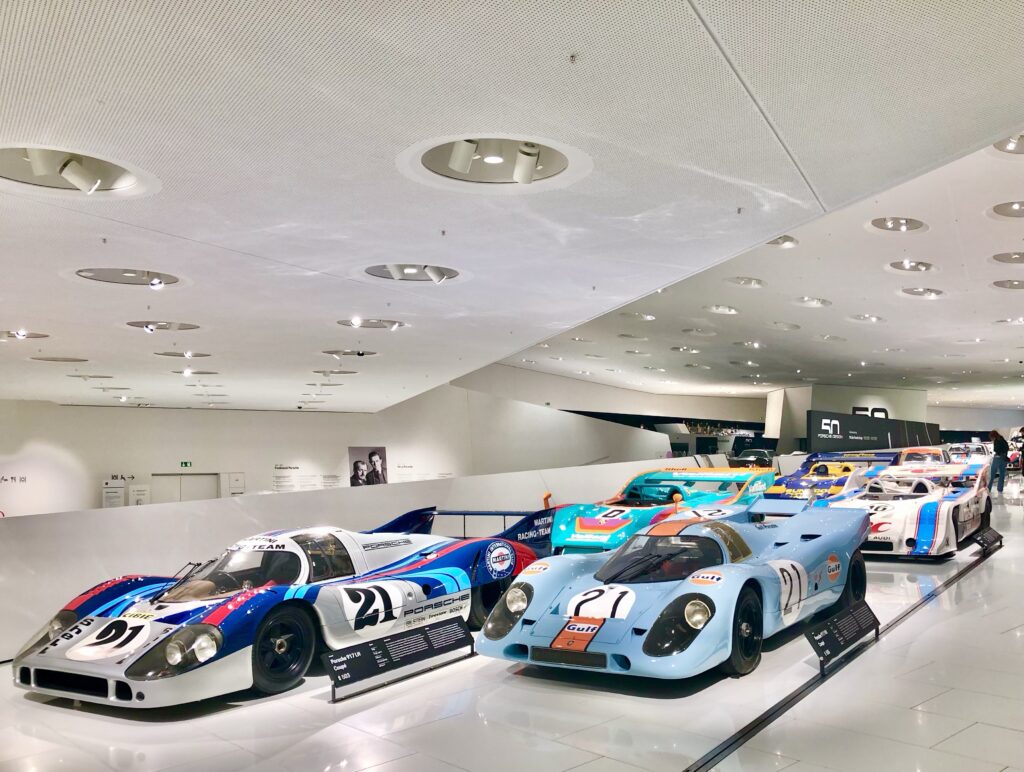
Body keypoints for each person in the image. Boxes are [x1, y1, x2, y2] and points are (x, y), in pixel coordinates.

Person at [988, 429, 1009, 494]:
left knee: (992, 474)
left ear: (993, 436)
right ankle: (1000, 489)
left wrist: (998, 452)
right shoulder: (1002, 439)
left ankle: (989, 488)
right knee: (1002, 474)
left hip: (997, 457)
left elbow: (995, 449)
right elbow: (1007, 448)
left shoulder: (996, 440)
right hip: (1003, 458)